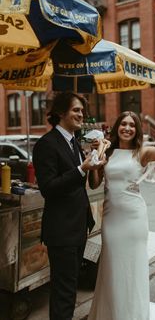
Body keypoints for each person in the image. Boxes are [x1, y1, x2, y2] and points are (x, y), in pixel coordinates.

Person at [88, 99, 155, 320]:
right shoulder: (107, 150)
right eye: (123, 124)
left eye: (132, 125)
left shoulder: (142, 152)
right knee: (112, 266)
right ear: (117, 128)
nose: (127, 128)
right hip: (111, 218)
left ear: (137, 130)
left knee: (132, 267)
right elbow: (94, 183)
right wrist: (94, 160)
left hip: (134, 219)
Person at [33, 91, 105, 320]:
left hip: (77, 227)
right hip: (61, 231)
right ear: (60, 112)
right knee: (63, 291)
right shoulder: (46, 144)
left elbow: (84, 183)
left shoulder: (73, 142)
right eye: (76, 110)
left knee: (69, 288)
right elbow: (48, 187)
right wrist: (81, 169)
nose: (81, 114)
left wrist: (95, 158)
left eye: (82, 110)